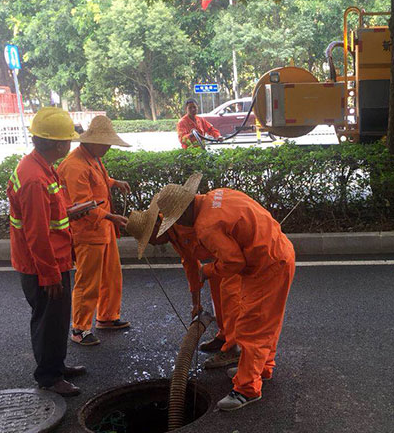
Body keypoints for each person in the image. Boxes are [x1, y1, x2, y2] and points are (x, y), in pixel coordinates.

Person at [156, 178, 296, 411]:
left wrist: (208, 270)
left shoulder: (206, 226)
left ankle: (246, 389)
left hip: (266, 265)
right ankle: (261, 368)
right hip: (274, 254)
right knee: (267, 322)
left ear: (184, 212)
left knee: (252, 327)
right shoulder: (216, 195)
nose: (179, 224)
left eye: (177, 220)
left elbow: (233, 262)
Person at [7, 107, 89, 396]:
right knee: (47, 320)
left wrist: (71, 212)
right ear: (58, 144)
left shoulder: (41, 167)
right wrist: (50, 275)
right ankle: (49, 377)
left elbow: (49, 217)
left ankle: (57, 365)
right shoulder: (34, 178)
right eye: (68, 139)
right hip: (42, 265)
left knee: (57, 319)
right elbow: (37, 234)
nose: (70, 144)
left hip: (54, 259)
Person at [128, 177, 242, 368]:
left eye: (150, 239)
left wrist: (213, 268)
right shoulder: (172, 235)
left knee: (230, 298)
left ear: (157, 226)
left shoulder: (180, 221)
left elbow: (217, 247)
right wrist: (195, 303)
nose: (153, 244)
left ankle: (233, 349)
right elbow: (190, 264)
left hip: (231, 255)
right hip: (217, 260)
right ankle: (224, 337)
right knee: (219, 299)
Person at [58, 115, 131, 346]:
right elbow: (83, 205)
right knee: (87, 281)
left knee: (111, 274)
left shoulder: (92, 158)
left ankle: (107, 317)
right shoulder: (74, 165)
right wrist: (111, 216)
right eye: (106, 143)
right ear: (93, 141)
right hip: (88, 231)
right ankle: (79, 328)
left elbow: (99, 180)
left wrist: (114, 182)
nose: (109, 148)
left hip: (103, 228)